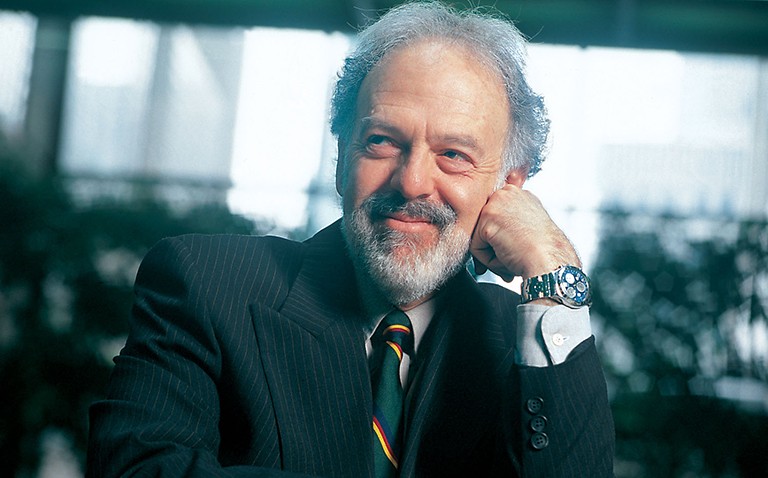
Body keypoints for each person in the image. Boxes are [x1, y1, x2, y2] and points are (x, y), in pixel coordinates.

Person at [87, 2, 614, 477]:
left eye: (453, 154)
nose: (411, 182)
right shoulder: (201, 283)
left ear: (507, 189)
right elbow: (136, 470)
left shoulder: (526, 345)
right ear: (342, 159)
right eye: (382, 141)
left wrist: (551, 267)